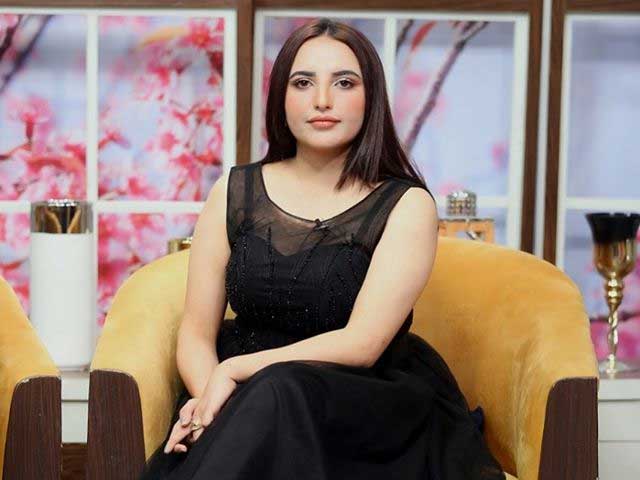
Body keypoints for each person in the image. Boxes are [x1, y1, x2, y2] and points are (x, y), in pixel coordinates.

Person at [140, 17, 506, 480]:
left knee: (278, 388)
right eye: (303, 82)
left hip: (358, 402)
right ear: (282, 96)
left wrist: (234, 371)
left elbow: (363, 344)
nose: (322, 100)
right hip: (245, 399)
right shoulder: (233, 192)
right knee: (267, 400)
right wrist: (209, 398)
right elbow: (195, 332)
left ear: (371, 97)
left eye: (344, 83)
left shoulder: (406, 204)